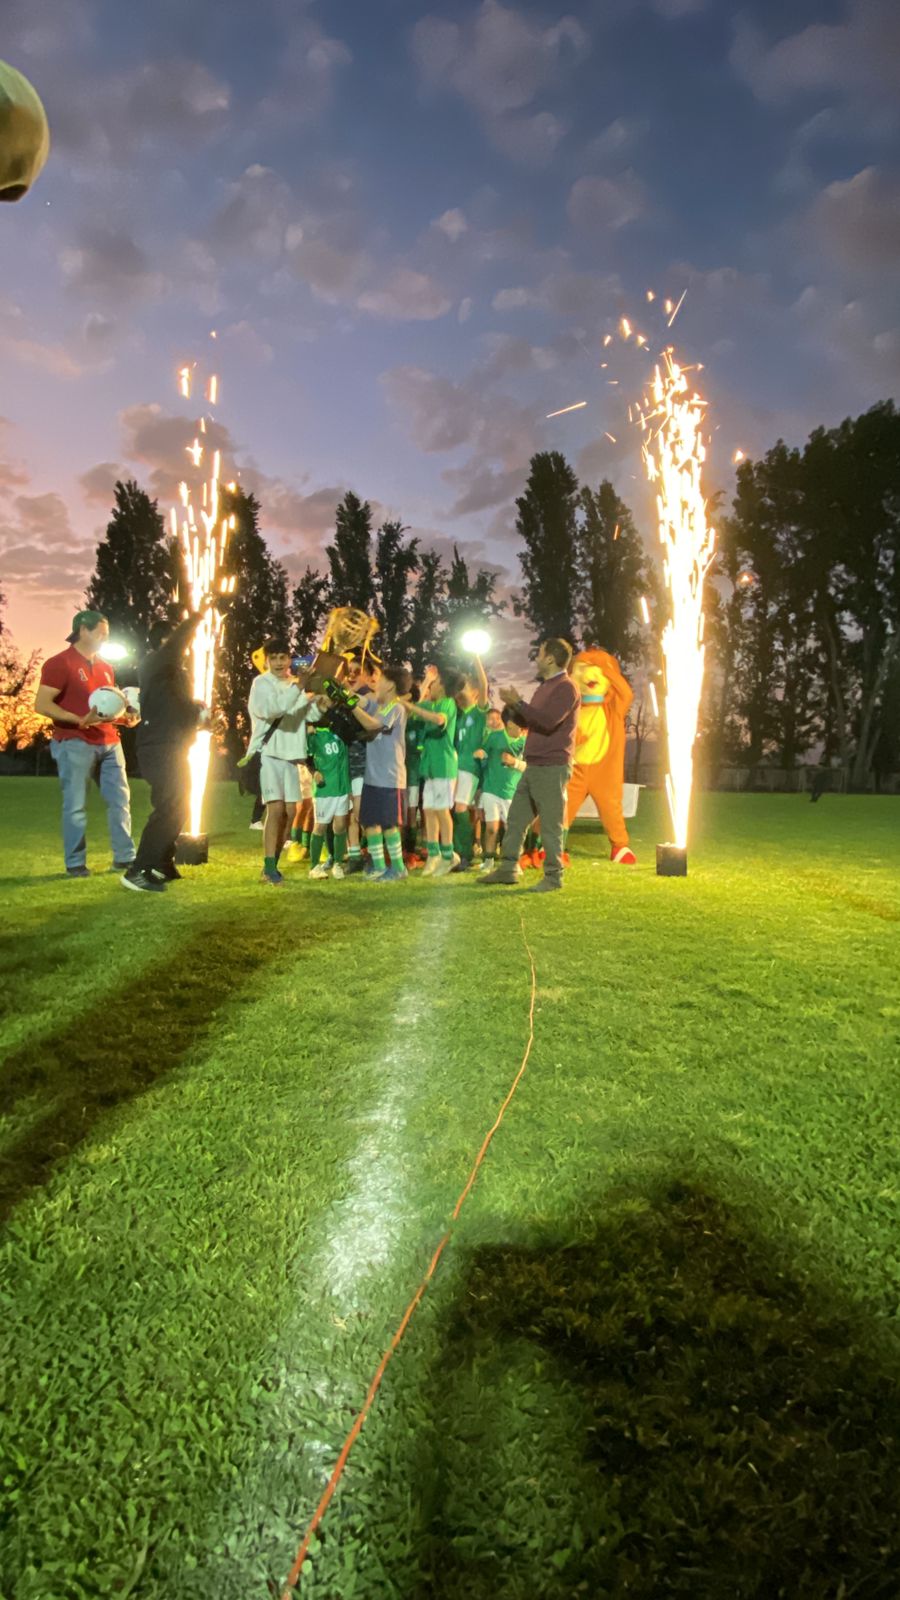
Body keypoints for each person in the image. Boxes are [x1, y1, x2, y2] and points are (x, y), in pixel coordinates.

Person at [35, 609, 136, 878]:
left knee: (120, 801)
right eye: (101, 633)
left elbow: (105, 709)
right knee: (76, 805)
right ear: (83, 630)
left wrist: (124, 718)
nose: (105, 638)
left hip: (110, 742)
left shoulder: (106, 668)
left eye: (107, 634)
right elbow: (41, 704)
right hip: (73, 743)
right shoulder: (59, 663)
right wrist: (76, 719)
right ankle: (76, 863)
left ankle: (125, 858)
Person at [122, 604, 214, 895]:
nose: (186, 649)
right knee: (169, 806)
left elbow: (177, 710)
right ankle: (138, 870)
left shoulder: (174, 673)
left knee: (178, 804)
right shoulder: (153, 662)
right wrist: (199, 616)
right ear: (165, 643)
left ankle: (162, 862)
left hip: (173, 746)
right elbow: (176, 642)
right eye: (179, 643)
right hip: (158, 747)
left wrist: (199, 717)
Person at [478, 638, 580, 894]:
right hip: (535, 765)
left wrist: (519, 703)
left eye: (540, 654)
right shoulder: (546, 687)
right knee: (516, 819)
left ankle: (554, 877)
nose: (536, 658)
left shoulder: (566, 688)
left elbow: (547, 721)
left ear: (550, 659)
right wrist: (514, 705)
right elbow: (533, 719)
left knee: (550, 824)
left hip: (552, 766)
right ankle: (508, 868)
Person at [247, 638, 313, 886]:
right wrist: (300, 688)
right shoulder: (260, 683)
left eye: (282, 657)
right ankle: (269, 867)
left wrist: (319, 696)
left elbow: (308, 714)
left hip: (292, 756)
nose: (278, 662)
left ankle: (272, 864)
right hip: (270, 753)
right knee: (275, 809)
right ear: (266, 660)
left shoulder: (295, 684)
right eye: (273, 657)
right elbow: (272, 710)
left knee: (291, 811)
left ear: (290, 659)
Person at [350, 661, 416, 883]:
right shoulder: (379, 706)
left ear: (390, 686)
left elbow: (371, 725)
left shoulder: (396, 708)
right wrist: (344, 694)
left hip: (390, 778)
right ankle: (379, 866)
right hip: (373, 776)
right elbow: (361, 701)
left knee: (388, 824)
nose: (376, 683)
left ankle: (398, 868)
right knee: (370, 822)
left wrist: (350, 706)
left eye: (381, 680)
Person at [414, 663, 463, 877]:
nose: (431, 687)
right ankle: (433, 854)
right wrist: (425, 681)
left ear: (442, 686)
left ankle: (449, 855)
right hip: (431, 767)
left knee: (442, 810)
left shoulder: (448, 703)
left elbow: (438, 720)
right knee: (429, 810)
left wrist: (411, 707)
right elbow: (416, 706)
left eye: (434, 683)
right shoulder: (431, 703)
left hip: (444, 767)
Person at [474, 708, 527, 870]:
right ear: (510, 724)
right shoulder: (494, 737)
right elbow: (483, 754)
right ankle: (488, 861)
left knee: (512, 829)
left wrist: (514, 762)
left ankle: (513, 862)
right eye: (521, 727)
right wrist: (481, 754)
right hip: (491, 789)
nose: (523, 730)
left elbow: (531, 767)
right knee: (491, 828)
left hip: (512, 792)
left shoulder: (525, 742)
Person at [452, 655, 490, 871]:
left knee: (460, 808)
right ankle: (457, 852)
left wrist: (476, 658)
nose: (458, 693)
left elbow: (484, 684)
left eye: (463, 688)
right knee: (455, 809)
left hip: (470, 768)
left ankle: (465, 854)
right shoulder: (457, 716)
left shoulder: (479, 712)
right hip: (455, 768)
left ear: (475, 693)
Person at [307, 710, 351, 880]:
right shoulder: (315, 735)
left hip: (342, 788)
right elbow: (306, 756)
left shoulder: (340, 736)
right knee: (320, 826)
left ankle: (338, 864)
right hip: (325, 789)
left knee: (340, 826)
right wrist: (314, 771)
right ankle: (314, 867)